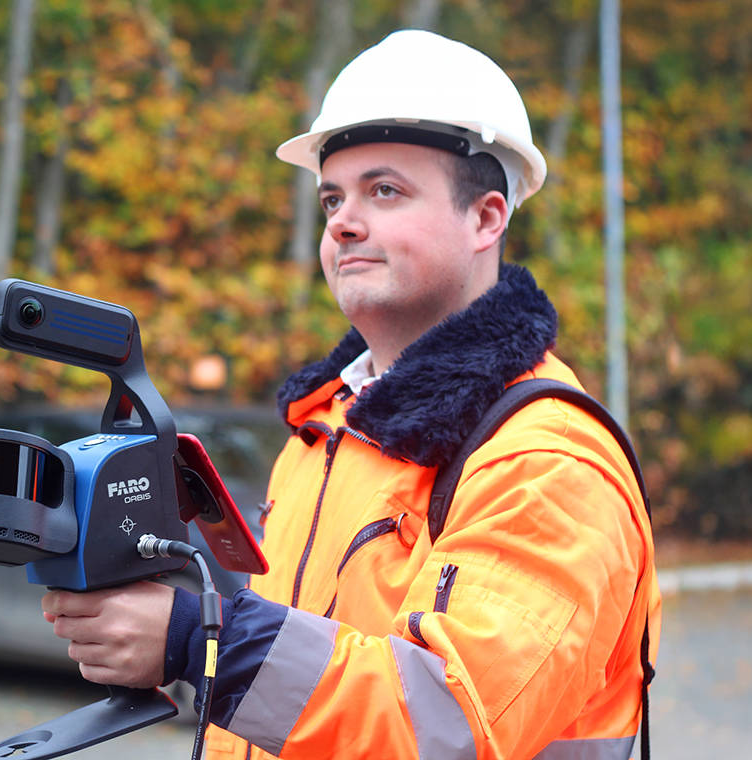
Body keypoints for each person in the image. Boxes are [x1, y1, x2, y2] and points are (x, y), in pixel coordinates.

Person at [41, 29, 661, 760]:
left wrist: (196, 640)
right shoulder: (323, 433)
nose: (343, 221)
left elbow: (452, 723)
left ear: (487, 218)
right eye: (333, 197)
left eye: (385, 190)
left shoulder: (548, 460)